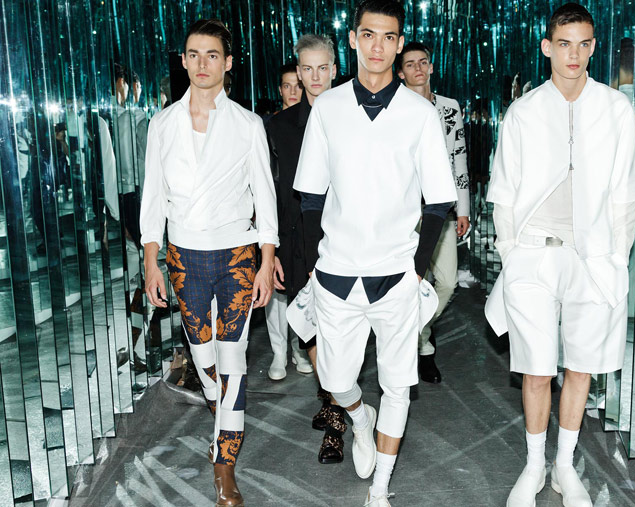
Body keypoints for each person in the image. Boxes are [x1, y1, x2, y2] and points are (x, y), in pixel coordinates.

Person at [293, 1, 456, 505]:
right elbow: (309, 196)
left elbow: (439, 201)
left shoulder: (420, 114)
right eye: (369, 35)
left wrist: (415, 270)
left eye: (389, 37)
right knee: (336, 380)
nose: (379, 46)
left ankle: (380, 489)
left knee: (398, 386)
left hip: (396, 275)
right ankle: (360, 420)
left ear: (399, 42)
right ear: (354, 39)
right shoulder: (328, 108)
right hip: (337, 272)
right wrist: (313, 266)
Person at [484, 4, 635, 506]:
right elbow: (504, 192)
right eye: (564, 43)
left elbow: (627, 193)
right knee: (535, 368)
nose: (573, 54)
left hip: (593, 257)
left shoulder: (615, 109)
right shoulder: (524, 111)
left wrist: (617, 257)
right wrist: (511, 255)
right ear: (547, 48)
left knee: (581, 366)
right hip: (534, 254)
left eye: (583, 44)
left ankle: (564, 466)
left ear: (593, 48)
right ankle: (534, 466)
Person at [140, 19, 279, 507]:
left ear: (228, 62)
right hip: (183, 257)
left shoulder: (248, 124)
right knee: (205, 362)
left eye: (213, 55)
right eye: (194, 54)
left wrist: (266, 261)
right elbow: (152, 199)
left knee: (233, 361)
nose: (203, 64)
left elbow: (265, 195)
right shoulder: (162, 125)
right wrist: (151, 262)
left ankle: (225, 465)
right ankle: (222, 412)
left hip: (238, 255)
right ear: (183, 61)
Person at [266, 33, 352, 464]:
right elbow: (272, 195)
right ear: (298, 73)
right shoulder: (277, 127)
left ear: (334, 69)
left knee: (340, 336)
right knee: (313, 332)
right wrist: (272, 253)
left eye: (323, 68)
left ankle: (335, 420)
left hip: (347, 243)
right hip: (299, 243)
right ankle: (332, 400)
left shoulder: (355, 119)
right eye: (307, 68)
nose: (315, 76)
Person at [396, 41, 470, 383]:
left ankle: (414, 332)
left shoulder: (449, 108)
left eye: (423, 62)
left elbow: (460, 159)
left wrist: (463, 208)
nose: (418, 69)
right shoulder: (395, 108)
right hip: (406, 213)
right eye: (410, 64)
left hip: (444, 210)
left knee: (448, 282)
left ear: (431, 66)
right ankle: (425, 350)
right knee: (414, 282)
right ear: (401, 72)